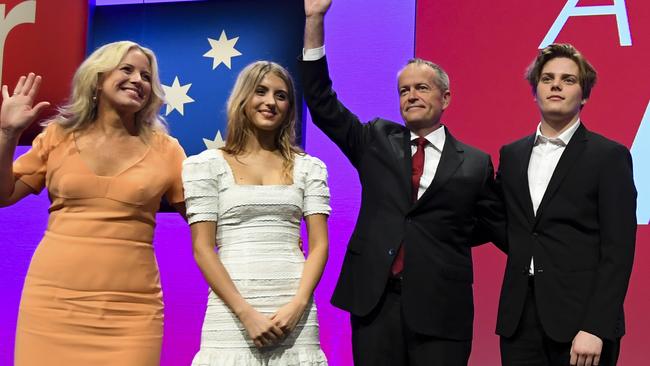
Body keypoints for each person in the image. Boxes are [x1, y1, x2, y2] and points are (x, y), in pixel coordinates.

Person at [300, 1, 503, 365]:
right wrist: (314, 20)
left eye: (422, 88)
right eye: (404, 90)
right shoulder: (375, 139)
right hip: (376, 302)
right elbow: (321, 103)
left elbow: (492, 225)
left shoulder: (475, 163)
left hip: (442, 307)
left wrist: (442, 234)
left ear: (445, 98)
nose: (411, 95)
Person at [0, 41, 186, 365]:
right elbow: (4, 195)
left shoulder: (167, 150)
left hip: (131, 312)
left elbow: (203, 217)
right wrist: (6, 134)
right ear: (98, 79)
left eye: (145, 75)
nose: (138, 80)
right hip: (52, 302)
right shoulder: (57, 135)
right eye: (126, 69)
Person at [495, 44, 636, 366]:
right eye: (547, 78)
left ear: (584, 95)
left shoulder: (608, 156)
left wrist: (596, 327)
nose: (556, 85)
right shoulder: (512, 154)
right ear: (535, 91)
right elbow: (508, 225)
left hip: (581, 325)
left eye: (568, 80)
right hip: (519, 321)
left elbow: (618, 251)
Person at [183, 60, 330, 365]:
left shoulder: (309, 167)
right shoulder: (206, 165)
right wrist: (246, 313)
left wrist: (298, 304)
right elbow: (202, 247)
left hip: (295, 309)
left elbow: (319, 246)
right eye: (261, 92)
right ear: (243, 99)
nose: (270, 102)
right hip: (232, 308)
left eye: (281, 95)